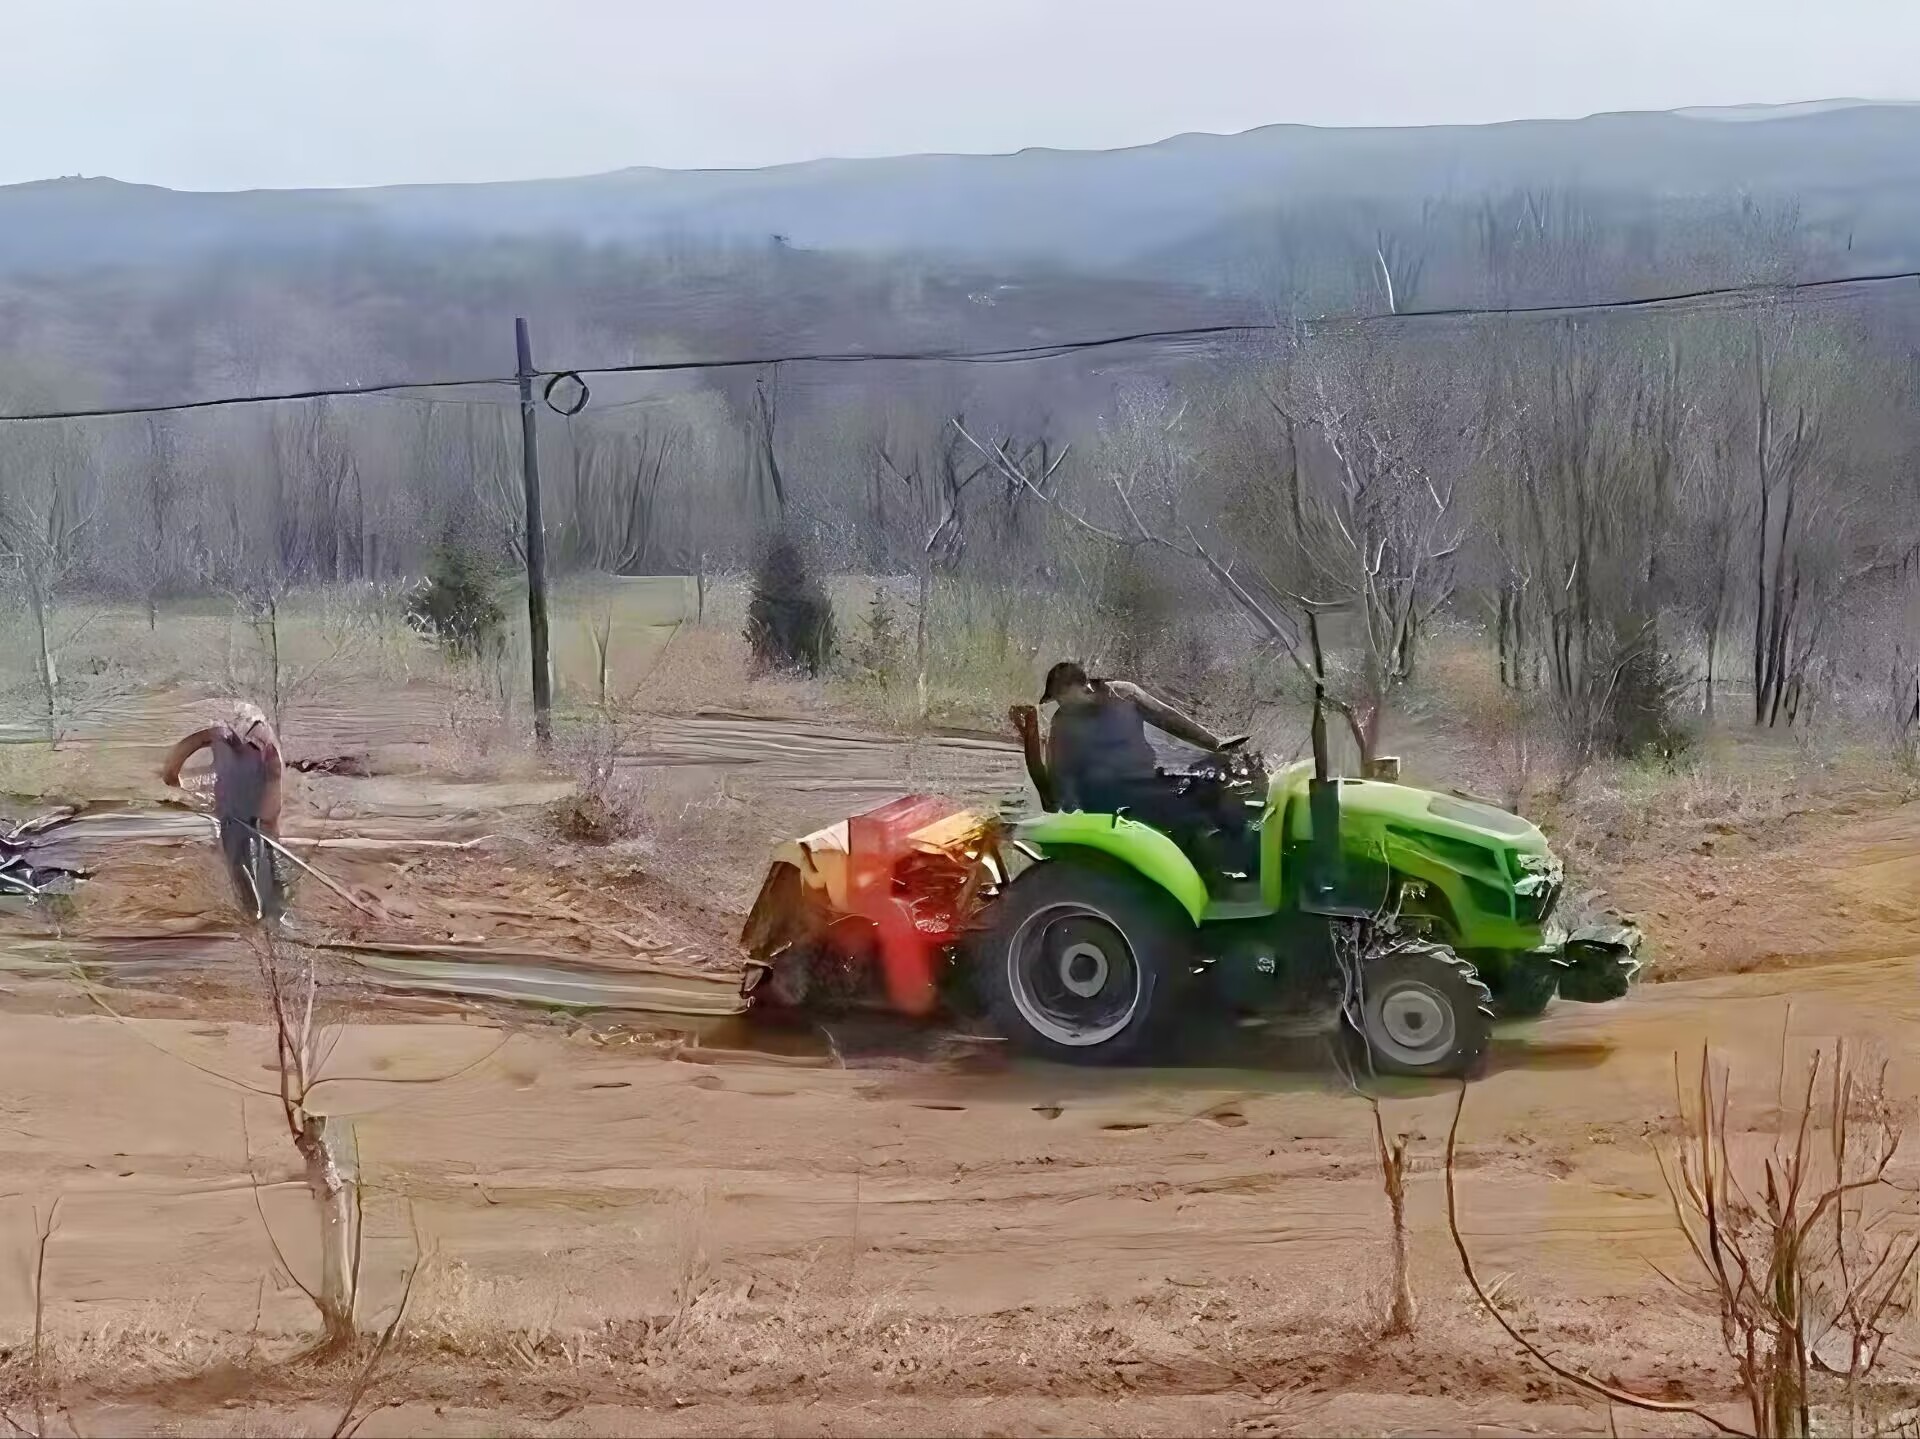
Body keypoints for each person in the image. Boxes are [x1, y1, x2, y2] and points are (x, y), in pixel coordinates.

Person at [1011, 661, 1252, 876]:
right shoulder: (1063, 723)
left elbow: (1168, 719)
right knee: (1188, 808)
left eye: (1063, 697)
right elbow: (1057, 785)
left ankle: (1239, 861)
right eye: (1057, 700)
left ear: (1086, 687)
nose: (1061, 704)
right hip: (1108, 800)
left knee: (1213, 787)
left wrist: (1214, 743)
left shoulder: (1123, 694)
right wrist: (1030, 739)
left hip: (1146, 783)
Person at [161, 702, 288, 924]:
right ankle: (253, 910)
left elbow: (274, 775)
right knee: (238, 861)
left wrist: (268, 818)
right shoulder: (221, 736)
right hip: (231, 814)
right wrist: (172, 772)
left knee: (267, 856)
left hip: (254, 812)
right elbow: (190, 744)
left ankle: (276, 908)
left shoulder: (263, 742)